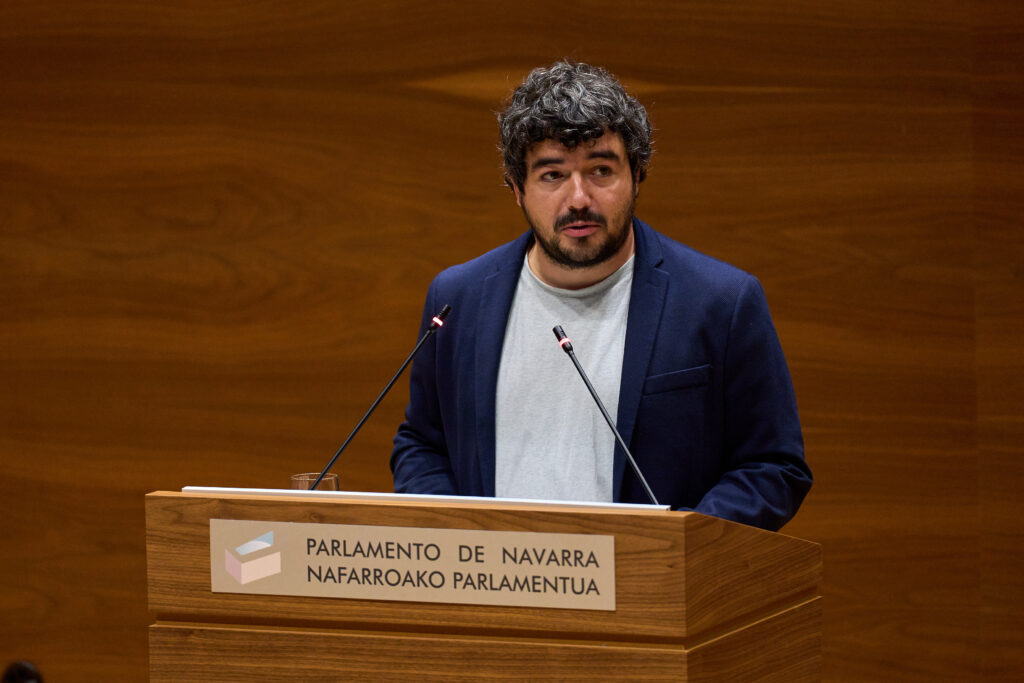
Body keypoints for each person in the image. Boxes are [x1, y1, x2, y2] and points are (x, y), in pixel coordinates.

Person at [390, 61, 811, 531]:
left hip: (650, 592)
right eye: (551, 175)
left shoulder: (720, 302)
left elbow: (772, 466)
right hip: (494, 591)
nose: (578, 199)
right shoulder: (457, 299)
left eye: (601, 170)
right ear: (516, 189)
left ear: (636, 175)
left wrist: (680, 551)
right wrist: (456, 538)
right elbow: (423, 445)